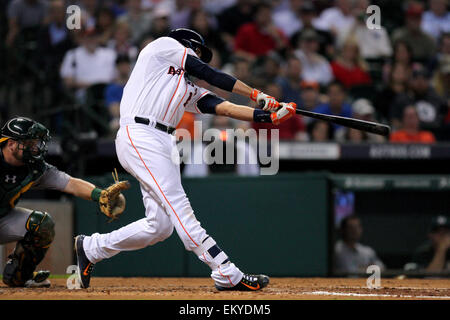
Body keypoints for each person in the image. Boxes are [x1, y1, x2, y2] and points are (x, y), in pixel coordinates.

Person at [74, 28, 297, 291]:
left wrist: (267, 116)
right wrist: (255, 93)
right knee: (181, 210)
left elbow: (222, 106)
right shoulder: (162, 47)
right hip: (141, 134)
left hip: (162, 140)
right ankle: (226, 271)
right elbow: (208, 73)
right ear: (188, 44)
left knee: (160, 226)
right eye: (198, 52)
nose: (199, 58)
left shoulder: (184, 87)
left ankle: (92, 247)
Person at [0, 117, 127, 288]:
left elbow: (70, 183)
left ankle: (19, 276)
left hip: (3, 219)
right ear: (11, 144)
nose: (35, 148)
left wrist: (100, 195)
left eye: (35, 143)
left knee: (42, 224)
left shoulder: (35, 168)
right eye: (29, 143)